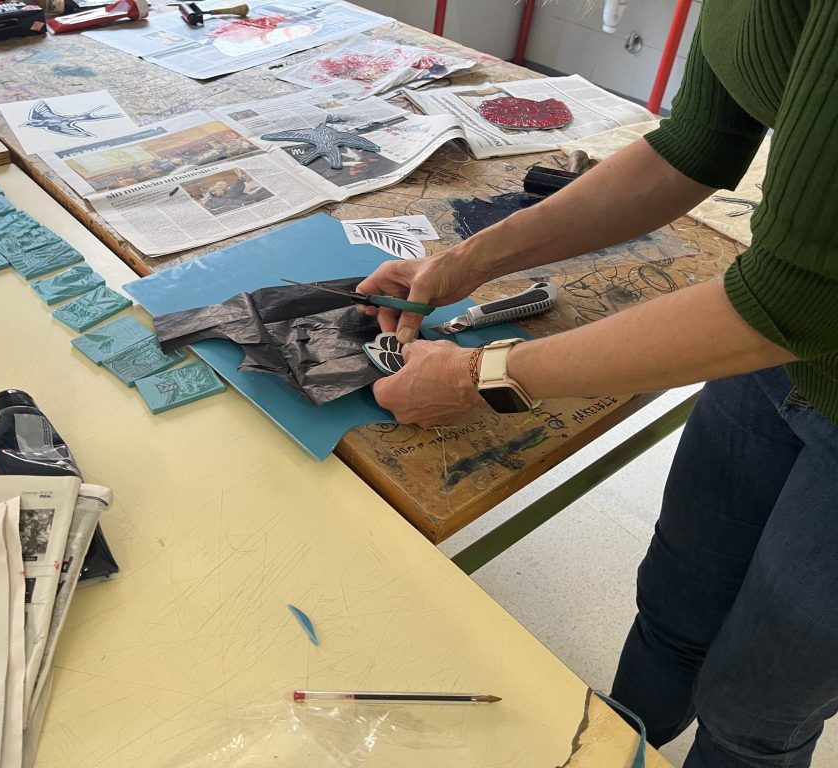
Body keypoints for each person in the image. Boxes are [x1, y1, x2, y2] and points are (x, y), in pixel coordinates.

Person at [355, 3, 838, 767]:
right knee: (677, 608)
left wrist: (484, 376)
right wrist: (464, 262)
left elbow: (793, 301)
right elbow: (692, 147)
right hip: (779, 351)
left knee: (757, 708)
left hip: (791, 318)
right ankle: (620, 752)